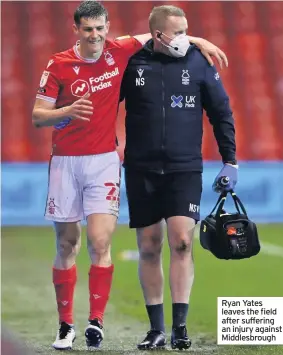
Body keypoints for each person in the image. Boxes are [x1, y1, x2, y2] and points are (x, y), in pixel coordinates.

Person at [31, 0, 229, 351]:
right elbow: (50, 112)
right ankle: (86, 326)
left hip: (141, 163)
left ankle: (117, 323)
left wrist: (199, 40)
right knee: (90, 245)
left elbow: (167, 40)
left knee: (133, 241)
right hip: (96, 163)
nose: (95, 35)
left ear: (107, 28)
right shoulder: (85, 62)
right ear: (76, 29)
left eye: (100, 28)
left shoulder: (142, 53)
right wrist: (65, 114)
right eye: (87, 29)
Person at [120, 5, 238, 351]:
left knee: (182, 242)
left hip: (184, 167)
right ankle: (156, 329)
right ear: (157, 34)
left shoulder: (199, 62)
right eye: (179, 31)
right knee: (149, 246)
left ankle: (180, 328)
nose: (186, 37)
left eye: (189, 30)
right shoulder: (132, 63)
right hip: (141, 167)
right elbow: (104, 95)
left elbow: (222, 112)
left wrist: (230, 161)